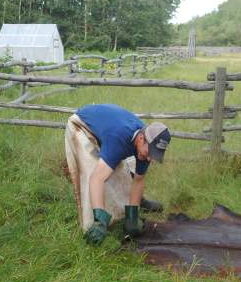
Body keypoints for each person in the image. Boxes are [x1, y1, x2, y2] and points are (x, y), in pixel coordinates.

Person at [65, 104, 171, 245]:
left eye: (154, 155)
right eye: (150, 152)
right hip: (82, 126)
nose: (150, 158)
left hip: (109, 132)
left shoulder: (145, 147)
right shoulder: (119, 138)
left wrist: (132, 217)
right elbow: (97, 179)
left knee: (122, 173)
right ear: (140, 139)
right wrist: (100, 221)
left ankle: (128, 212)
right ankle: (96, 222)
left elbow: (138, 180)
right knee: (92, 170)